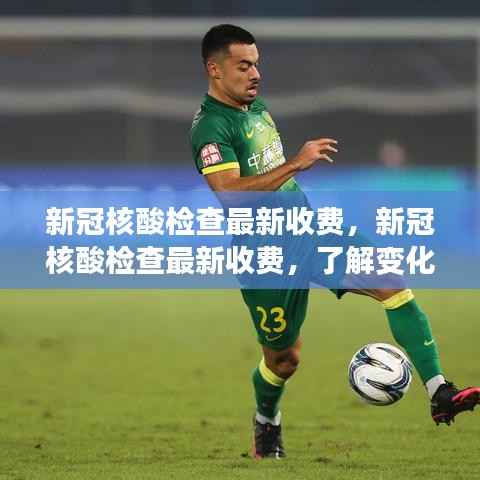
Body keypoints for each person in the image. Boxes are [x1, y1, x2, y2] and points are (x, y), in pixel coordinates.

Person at [189, 24, 479, 459]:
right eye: (244, 66)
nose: (256, 74)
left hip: (308, 230)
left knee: (390, 280)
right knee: (284, 360)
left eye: (257, 64)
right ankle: (267, 421)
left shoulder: (255, 107)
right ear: (215, 69)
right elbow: (230, 194)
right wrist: (296, 163)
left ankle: (440, 392)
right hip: (265, 257)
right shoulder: (210, 128)